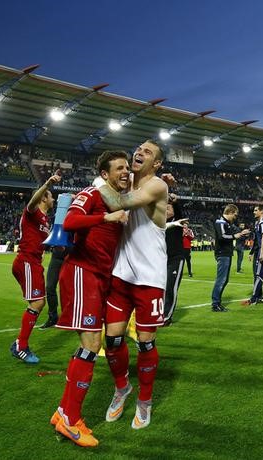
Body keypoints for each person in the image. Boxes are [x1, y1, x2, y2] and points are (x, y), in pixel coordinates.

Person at [50, 150, 129, 447]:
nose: (125, 172)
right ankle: (71, 421)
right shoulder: (92, 193)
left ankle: (63, 412)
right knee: (91, 345)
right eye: (119, 168)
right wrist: (106, 216)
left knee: (87, 347)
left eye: (126, 167)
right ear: (105, 173)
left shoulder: (116, 197)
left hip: (98, 276)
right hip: (83, 272)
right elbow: (70, 222)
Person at [95, 139, 172, 431]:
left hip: (150, 279)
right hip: (121, 275)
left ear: (157, 163)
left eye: (148, 152)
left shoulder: (158, 186)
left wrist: (98, 180)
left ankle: (145, 401)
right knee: (112, 339)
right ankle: (122, 388)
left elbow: (117, 203)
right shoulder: (125, 183)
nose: (140, 152)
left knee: (145, 342)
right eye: (139, 149)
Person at [9, 172, 60, 364]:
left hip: (34, 263)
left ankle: (20, 344)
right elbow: (32, 203)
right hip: (26, 261)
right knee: (38, 303)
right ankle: (21, 346)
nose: (52, 198)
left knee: (39, 303)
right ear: (44, 198)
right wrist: (46, 184)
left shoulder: (45, 220)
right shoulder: (32, 212)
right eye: (50, 195)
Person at [212, 204, 250, 312]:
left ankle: (216, 302)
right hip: (222, 253)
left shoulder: (226, 223)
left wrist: (241, 233)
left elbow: (233, 233)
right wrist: (235, 236)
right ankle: (215, 304)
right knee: (221, 279)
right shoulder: (220, 222)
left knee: (225, 279)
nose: (235, 217)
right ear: (230, 212)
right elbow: (222, 236)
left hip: (226, 253)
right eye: (235, 215)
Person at [163, 197, 189, 326]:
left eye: (168, 208)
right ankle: (158, 314)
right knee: (160, 289)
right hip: (161, 260)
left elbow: (178, 210)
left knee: (170, 288)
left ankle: (167, 317)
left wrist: (175, 202)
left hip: (175, 259)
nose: (165, 210)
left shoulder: (177, 220)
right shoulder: (159, 221)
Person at [243, 205, 263, 306]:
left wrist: (261, 253)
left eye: (256, 210)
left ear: (261, 211)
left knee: (258, 275)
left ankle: (254, 298)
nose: (254, 212)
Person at [40, 244, 69, 329]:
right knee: (50, 287)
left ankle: (69, 317)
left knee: (67, 290)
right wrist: (43, 250)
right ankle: (53, 317)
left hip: (69, 257)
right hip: (56, 257)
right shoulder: (55, 229)